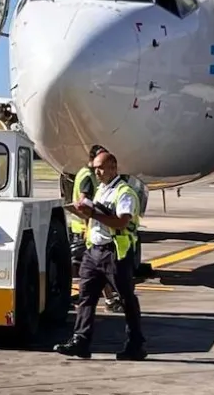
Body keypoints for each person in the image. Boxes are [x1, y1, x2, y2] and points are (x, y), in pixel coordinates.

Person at [55, 150, 147, 360]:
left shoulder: (123, 192)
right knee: (86, 297)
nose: (96, 171)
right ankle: (81, 340)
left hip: (114, 253)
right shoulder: (103, 189)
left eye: (100, 167)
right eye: (95, 167)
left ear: (113, 168)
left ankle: (136, 344)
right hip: (94, 251)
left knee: (126, 299)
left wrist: (93, 213)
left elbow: (122, 221)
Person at [71, 145, 123, 312]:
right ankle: (108, 300)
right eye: (99, 164)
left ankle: (106, 300)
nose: (101, 170)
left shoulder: (83, 173)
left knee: (94, 273)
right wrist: (90, 221)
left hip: (87, 226)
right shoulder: (88, 176)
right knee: (98, 271)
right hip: (88, 228)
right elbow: (83, 201)